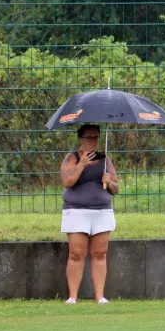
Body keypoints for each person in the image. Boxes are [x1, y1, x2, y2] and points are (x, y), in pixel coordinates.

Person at [60, 124, 119, 304]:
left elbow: (116, 189)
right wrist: (82, 165)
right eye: (89, 138)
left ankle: (100, 296)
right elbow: (67, 181)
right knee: (77, 253)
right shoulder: (71, 158)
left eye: (96, 138)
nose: (93, 142)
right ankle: (72, 297)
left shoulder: (105, 160)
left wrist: (108, 182)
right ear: (80, 139)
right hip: (77, 210)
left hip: (101, 211)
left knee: (100, 252)